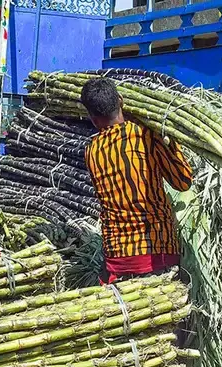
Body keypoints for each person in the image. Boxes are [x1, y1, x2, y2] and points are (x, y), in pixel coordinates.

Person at [80, 77, 193, 284]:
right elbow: (183, 181)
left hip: (117, 259)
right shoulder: (146, 134)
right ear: (121, 101)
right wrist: (168, 140)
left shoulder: (91, 150)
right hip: (157, 254)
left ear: (93, 119)